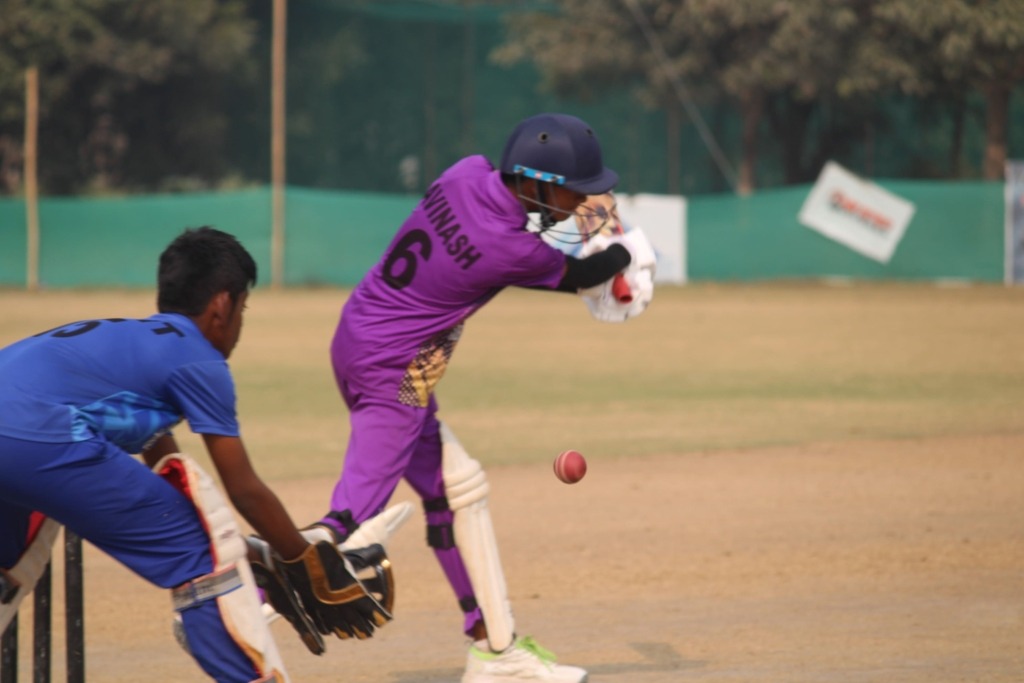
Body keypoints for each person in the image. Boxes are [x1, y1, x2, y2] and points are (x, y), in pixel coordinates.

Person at [312, 113, 654, 683]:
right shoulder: (509, 249)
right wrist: (631, 257)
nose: (578, 204)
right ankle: (241, 604)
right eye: (572, 192)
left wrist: (601, 216)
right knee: (345, 531)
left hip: (368, 337)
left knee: (457, 487)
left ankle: (493, 647)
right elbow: (588, 273)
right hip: (395, 368)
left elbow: (562, 211)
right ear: (536, 183)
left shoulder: (465, 172)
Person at [0, 227, 390, 683]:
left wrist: (255, 555)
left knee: (12, 562)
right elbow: (243, 490)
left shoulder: (137, 341)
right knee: (201, 557)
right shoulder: (199, 360)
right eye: (244, 309)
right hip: (35, 432)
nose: (241, 324)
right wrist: (304, 561)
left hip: (22, 425)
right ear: (222, 305)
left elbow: (164, 471)